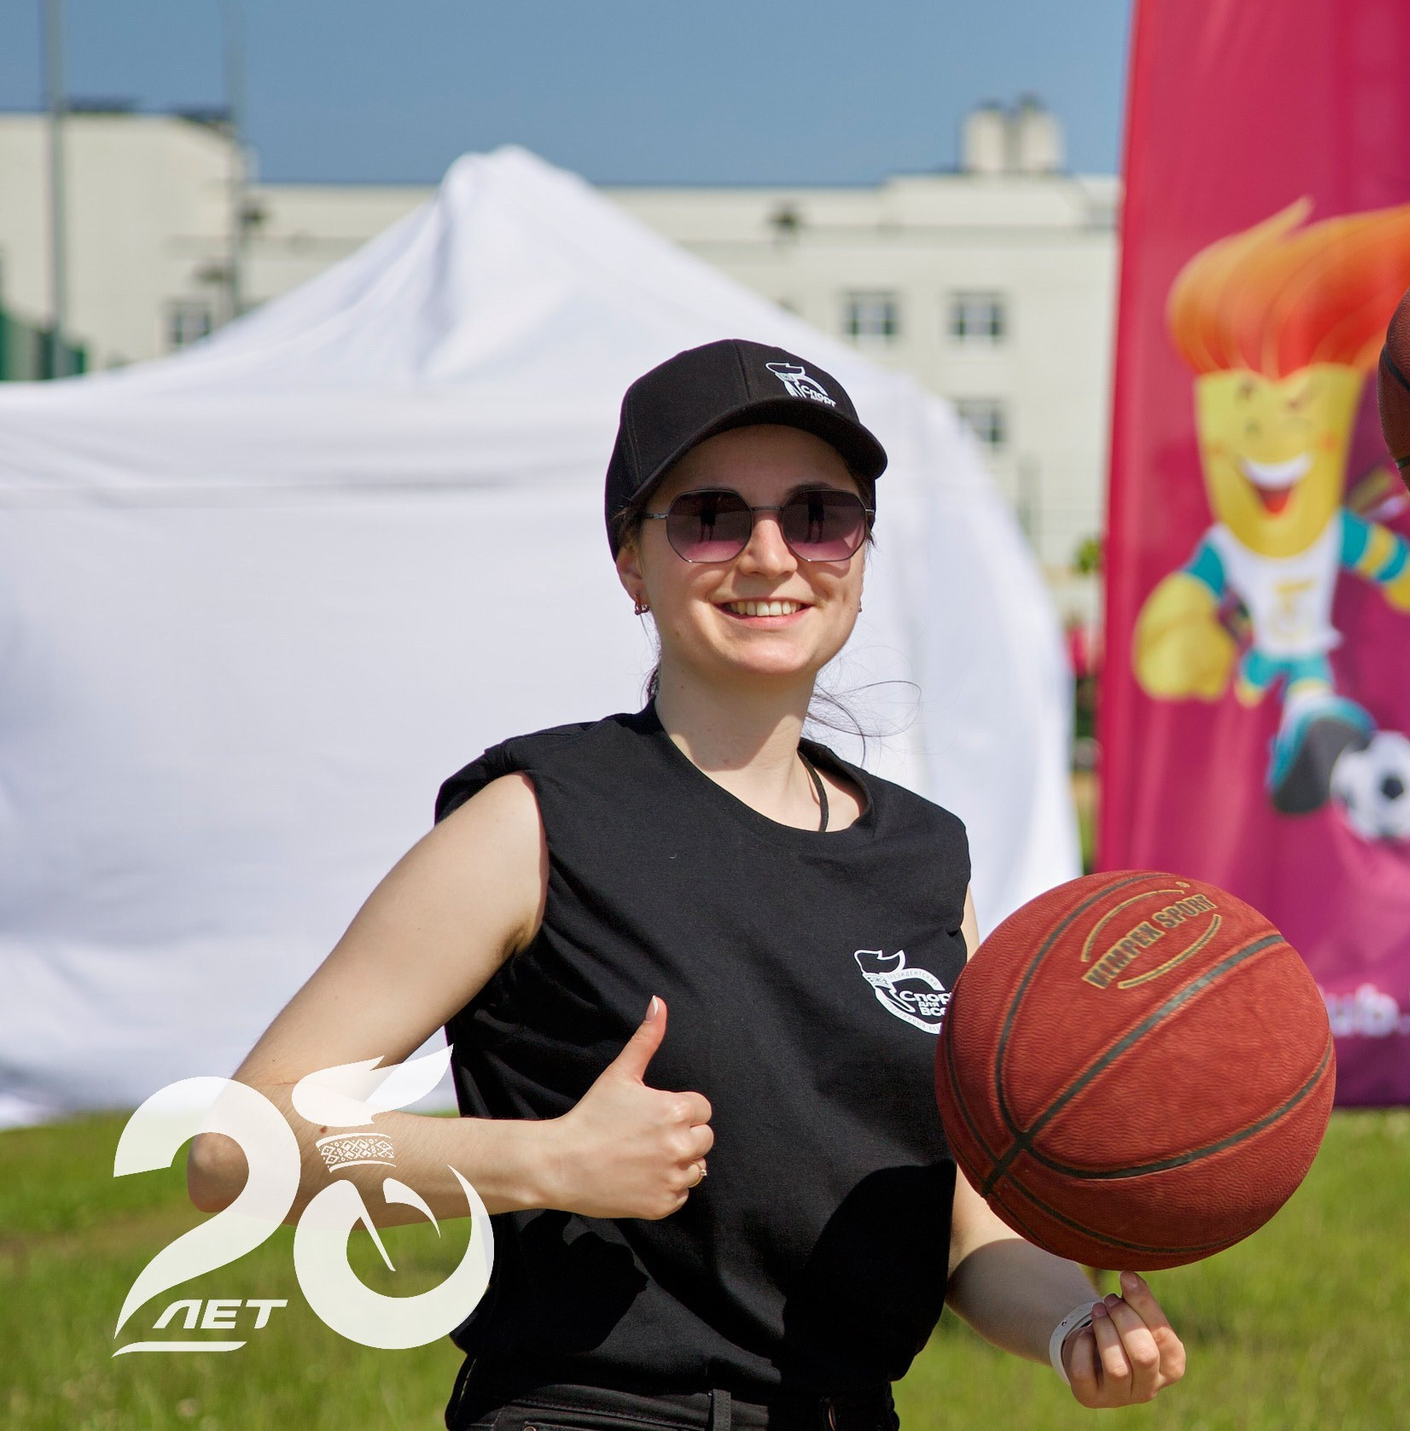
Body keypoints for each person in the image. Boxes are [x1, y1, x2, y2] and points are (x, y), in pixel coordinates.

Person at [188, 340, 1184, 1430]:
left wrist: (1066, 1326)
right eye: (711, 516)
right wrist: (547, 1162)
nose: (771, 556)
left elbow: (968, 1229)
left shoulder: (924, 863)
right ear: (631, 563)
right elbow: (239, 1149)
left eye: (820, 515)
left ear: (859, 550)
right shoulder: (534, 822)